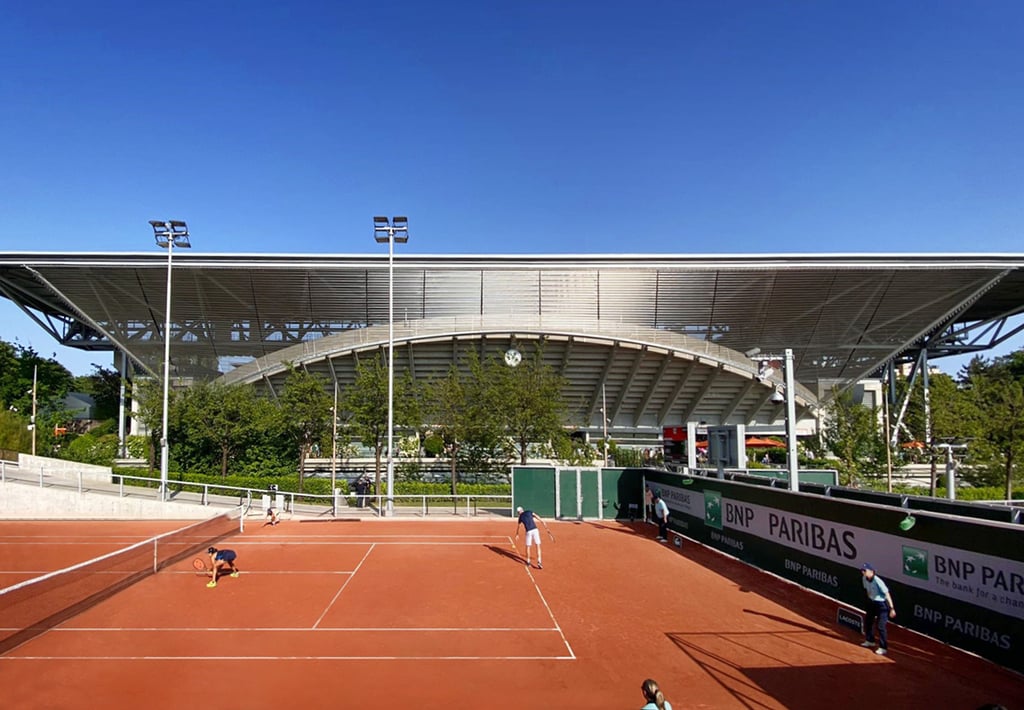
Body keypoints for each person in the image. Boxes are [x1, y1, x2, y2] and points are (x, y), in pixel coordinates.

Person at [860, 563, 896, 655]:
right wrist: (870, 599)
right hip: (872, 602)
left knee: (880, 626)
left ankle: (883, 647)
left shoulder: (878, 581)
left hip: (882, 605)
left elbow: (887, 594)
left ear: (871, 572)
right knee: (868, 621)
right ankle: (870, 640)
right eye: (862, 570)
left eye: (865, 570)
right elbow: (867, 590)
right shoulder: (864, 578)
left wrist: (892, 608)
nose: (863, 572)